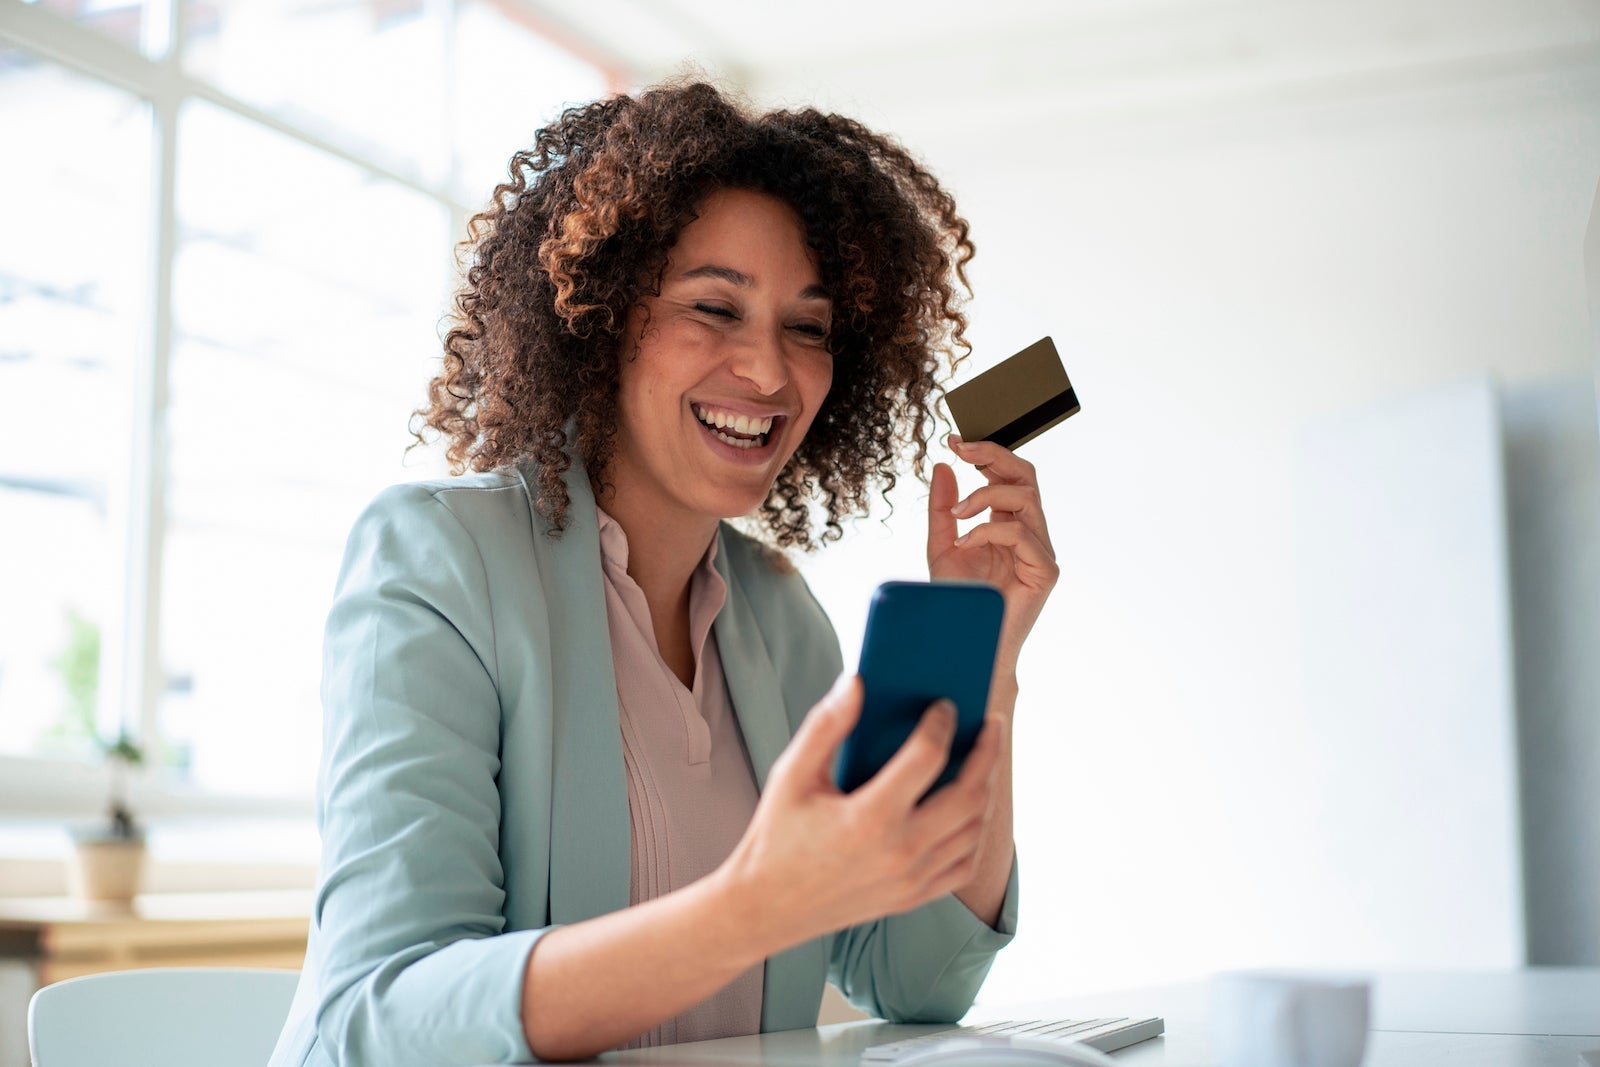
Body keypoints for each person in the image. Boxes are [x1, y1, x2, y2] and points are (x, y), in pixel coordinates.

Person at [269, 81, 1059, 1067]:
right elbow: (375, 1017)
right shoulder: (440, 562)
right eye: (713, 307)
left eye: (806, 327)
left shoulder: (780, 619)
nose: (769, 373)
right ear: (598, 317)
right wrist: (755, 905)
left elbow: (921, 977)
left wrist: (987, 653)